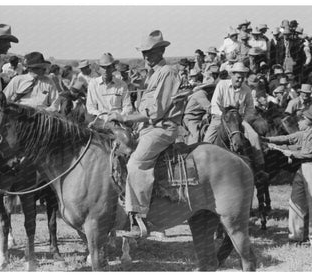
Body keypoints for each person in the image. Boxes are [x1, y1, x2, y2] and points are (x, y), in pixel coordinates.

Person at [107, 30, 182, 238]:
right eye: (144, 52)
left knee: (135, 164)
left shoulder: (167, 72)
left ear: (161, 50)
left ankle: (139, 218)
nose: (146, 56)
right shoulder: (153, 73)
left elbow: (156, 111)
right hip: (150, 127)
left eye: (150, 52)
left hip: (162, 128)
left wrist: (125, 118)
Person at [262, 105, 312, 246]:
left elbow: (310, 153)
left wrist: (291, 153)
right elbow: (287, 138)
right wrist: (267, 140)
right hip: (303, 168)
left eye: (303, 119)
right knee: (296, 201)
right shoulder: (304, 133)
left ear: (310, 121)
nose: (298, 122)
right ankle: (296, 237)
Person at [203, 62, 265, 171]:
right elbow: (214, 103)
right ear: (232, 75)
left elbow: (250, 108)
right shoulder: (222, 85)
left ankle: (260, 167)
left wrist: (244, 120)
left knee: (254, 136)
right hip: (221, 117)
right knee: (207, 140)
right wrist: (223, 116)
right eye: (238, 77)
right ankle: (204, 166)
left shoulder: (246, 90)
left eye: (242, 77)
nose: (240, 80)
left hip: (238, 119)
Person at [86, 53, 132, 121]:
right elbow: (91, 108)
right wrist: (104, 117)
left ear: (113, 68)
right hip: (100, 120)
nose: (106, 70)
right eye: (103, 67)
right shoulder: (93, 84)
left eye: (108, 67)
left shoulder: (122, 84)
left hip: (119, 121)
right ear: (99, 68)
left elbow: (127, 107)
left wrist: (119, 117)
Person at [183, 78, 216, 144]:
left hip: (198, 118)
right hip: (191, 119)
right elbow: (209, 108)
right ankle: (191, 150)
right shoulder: (200, 94)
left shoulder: (205, 95)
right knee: (195, 135)